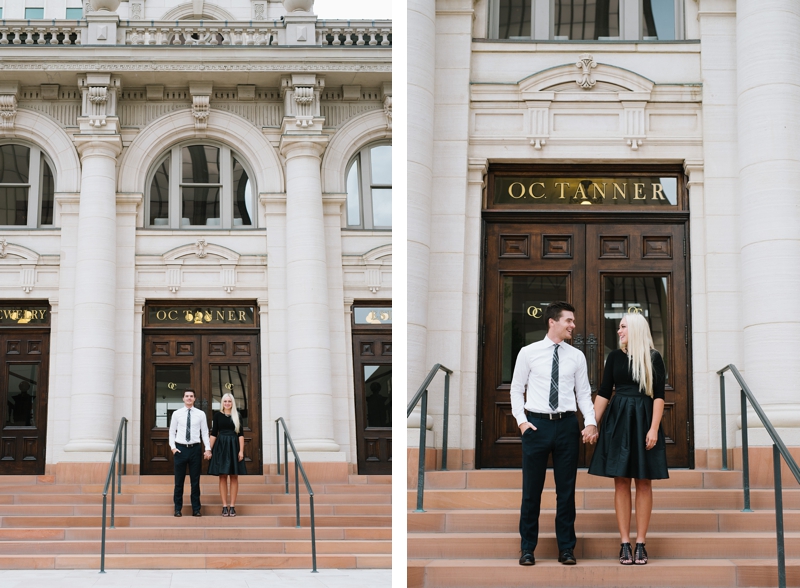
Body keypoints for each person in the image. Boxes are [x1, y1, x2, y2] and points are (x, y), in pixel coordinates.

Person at [510, 301, 598, 567]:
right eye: (568, 321)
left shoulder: (577, 356)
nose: (573, 325)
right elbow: (516, 389)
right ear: (552, 322)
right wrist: (522, 422)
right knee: (531, 492)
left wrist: (590, 422)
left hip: (567, 427)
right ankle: (527, 549)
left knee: (566, 492)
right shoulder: (528, 352)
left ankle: (567, 549)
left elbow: (583, 393)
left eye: (572, 321)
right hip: (536, 427)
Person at [588, 312, 669, 565]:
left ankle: (641, 543)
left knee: (644, 482)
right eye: (619, 327)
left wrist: (654, 428)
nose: (619, 331)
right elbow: (603, 392)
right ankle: (625, 542)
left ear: (634, 329)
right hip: (618, 421)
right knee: (621, 482)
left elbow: (658, 396)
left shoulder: (654, 358)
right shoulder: (614, 357)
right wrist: (591, 423)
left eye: (623, 327)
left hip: (644, 420)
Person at [168, 389, 211, 517]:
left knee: (195, 481)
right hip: (180, 450)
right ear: (183, 398)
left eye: (191, 396)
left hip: (195, 449)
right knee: (179, 482)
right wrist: (173, 448)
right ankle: (177, 509)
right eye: (186, 396)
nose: (189, 398)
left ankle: (196, 509)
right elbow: (172, 432)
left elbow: (204, 432)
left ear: (194, 398)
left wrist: (207, 448)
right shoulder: (177, 414)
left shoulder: (200, 414)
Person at [208, 392, 247, 516]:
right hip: (221, 447)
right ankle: (224, 506)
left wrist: (241, 451)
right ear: (222, 403)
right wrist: (208, 449)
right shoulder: (217, 416)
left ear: (232, 403)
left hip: (234, 446)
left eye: (229, 401)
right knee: (223, 476)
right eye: (225, 401)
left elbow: (241, 434)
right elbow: (214, 433)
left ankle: (232, 506)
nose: (227, 403)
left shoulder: (237, 416)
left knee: (234, 476)